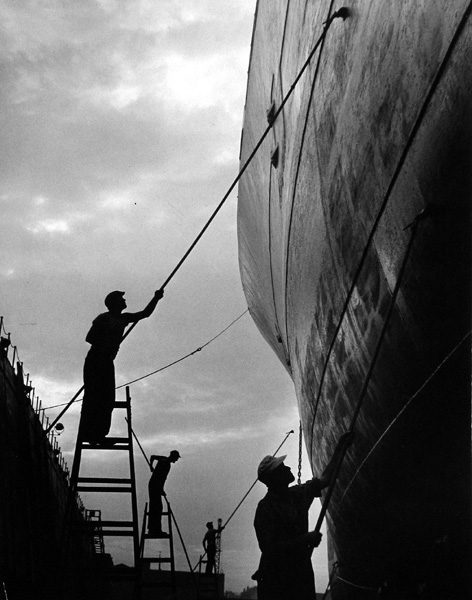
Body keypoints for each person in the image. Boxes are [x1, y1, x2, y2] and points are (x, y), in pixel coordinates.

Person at [253, 432, 353, 600]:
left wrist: (340, 448)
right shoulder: (265, 508)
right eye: (282, 467)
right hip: (277, 580)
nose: (288, 468)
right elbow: (269, 549)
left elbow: (325, 479)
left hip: (299, 572)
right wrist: (304, 539)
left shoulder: (297, 494)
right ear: (275, 477)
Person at [80, 289, 164, 444]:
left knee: (108, 399)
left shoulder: (124, 318)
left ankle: (99, 435)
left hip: (107, 361)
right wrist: (108, 343)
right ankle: (91, 435)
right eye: (121, 299)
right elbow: (90, 337)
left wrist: (156, 298)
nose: (125, 301)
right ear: (114, 303)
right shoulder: (103, 318)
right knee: (94, 398)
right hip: (96, 360)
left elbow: (145, 314)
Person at [148, 450, 181, 537]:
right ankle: (155, 530)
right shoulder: (166, 464)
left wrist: (151, 466)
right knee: (157, 508)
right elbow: (162, 478)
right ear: (173, 456)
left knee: (155, 506)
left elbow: (152, 456)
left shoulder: (163, 459)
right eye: (176, 458)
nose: (176, 460)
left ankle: (153, 529)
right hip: (155, 486)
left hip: (153, 485)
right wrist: (161, 489)